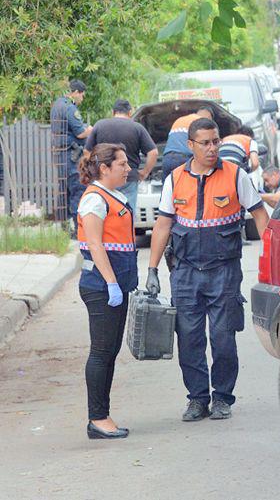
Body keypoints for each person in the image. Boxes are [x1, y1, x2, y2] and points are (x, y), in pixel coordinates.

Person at [146, 117, 269, 422]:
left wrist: (270, 256)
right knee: (189, 338)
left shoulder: (235, 175)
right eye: (206, 143)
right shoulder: (175, 178)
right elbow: (163, 225)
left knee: (223, 337)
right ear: (191, 146)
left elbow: (260, 215)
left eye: (216, 141)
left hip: (223, 271)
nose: (213, 148)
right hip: (185, 272)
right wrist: (151, 270)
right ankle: (198, 398)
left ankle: (223, 397)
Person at [75, 143, 136, 440]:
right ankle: (97, 418)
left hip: (114, 285)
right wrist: (111, 282)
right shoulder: (94, 200)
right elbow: (95, 244)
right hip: (101, 287)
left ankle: (103, 415)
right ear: (104, 168)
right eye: (122, 164)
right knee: (101, 353)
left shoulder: (111, 196)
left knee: (109, 352)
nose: (128, 169)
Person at [84, 99, 157, 214]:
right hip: (128, 177)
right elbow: (153, 153)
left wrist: (95, 171)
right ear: (129, 113)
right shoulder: (137, 127)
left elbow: (87, 152)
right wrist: (145, 172)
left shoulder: (99, 125)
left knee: (104, 212)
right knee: (126, 214)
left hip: (105, 177)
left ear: (113, 112)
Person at [51, 79, 93, 230]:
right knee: (77, 190)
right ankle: (77, 228)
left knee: (64, 191)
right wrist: (90, 130)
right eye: (82, 95)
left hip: (60, 154)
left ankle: (64, 227)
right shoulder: (69, 108)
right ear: (75, 92)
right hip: (71, 156)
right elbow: (81, 133)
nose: (82, 98)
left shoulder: (57, 104)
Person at [162, 106, 214, 177]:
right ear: (208, 116)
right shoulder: (199, 123)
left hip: (167, 159)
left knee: (169, 186)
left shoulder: (180, 120)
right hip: (183, 159)